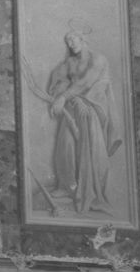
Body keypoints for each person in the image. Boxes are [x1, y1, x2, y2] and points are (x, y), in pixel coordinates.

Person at [45, 30, 121, 216]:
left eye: (73, 39)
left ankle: (93, 194)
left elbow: (87, 83)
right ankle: (66, 185)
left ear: (83, 39)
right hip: (73, 106)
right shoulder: (70, 62)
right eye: (67, 40)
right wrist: (67, 96)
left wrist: (69, 97)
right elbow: (58, 80)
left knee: (91, 149)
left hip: (92, 108)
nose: (70, 43)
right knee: (66, 145)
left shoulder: (98, 59)